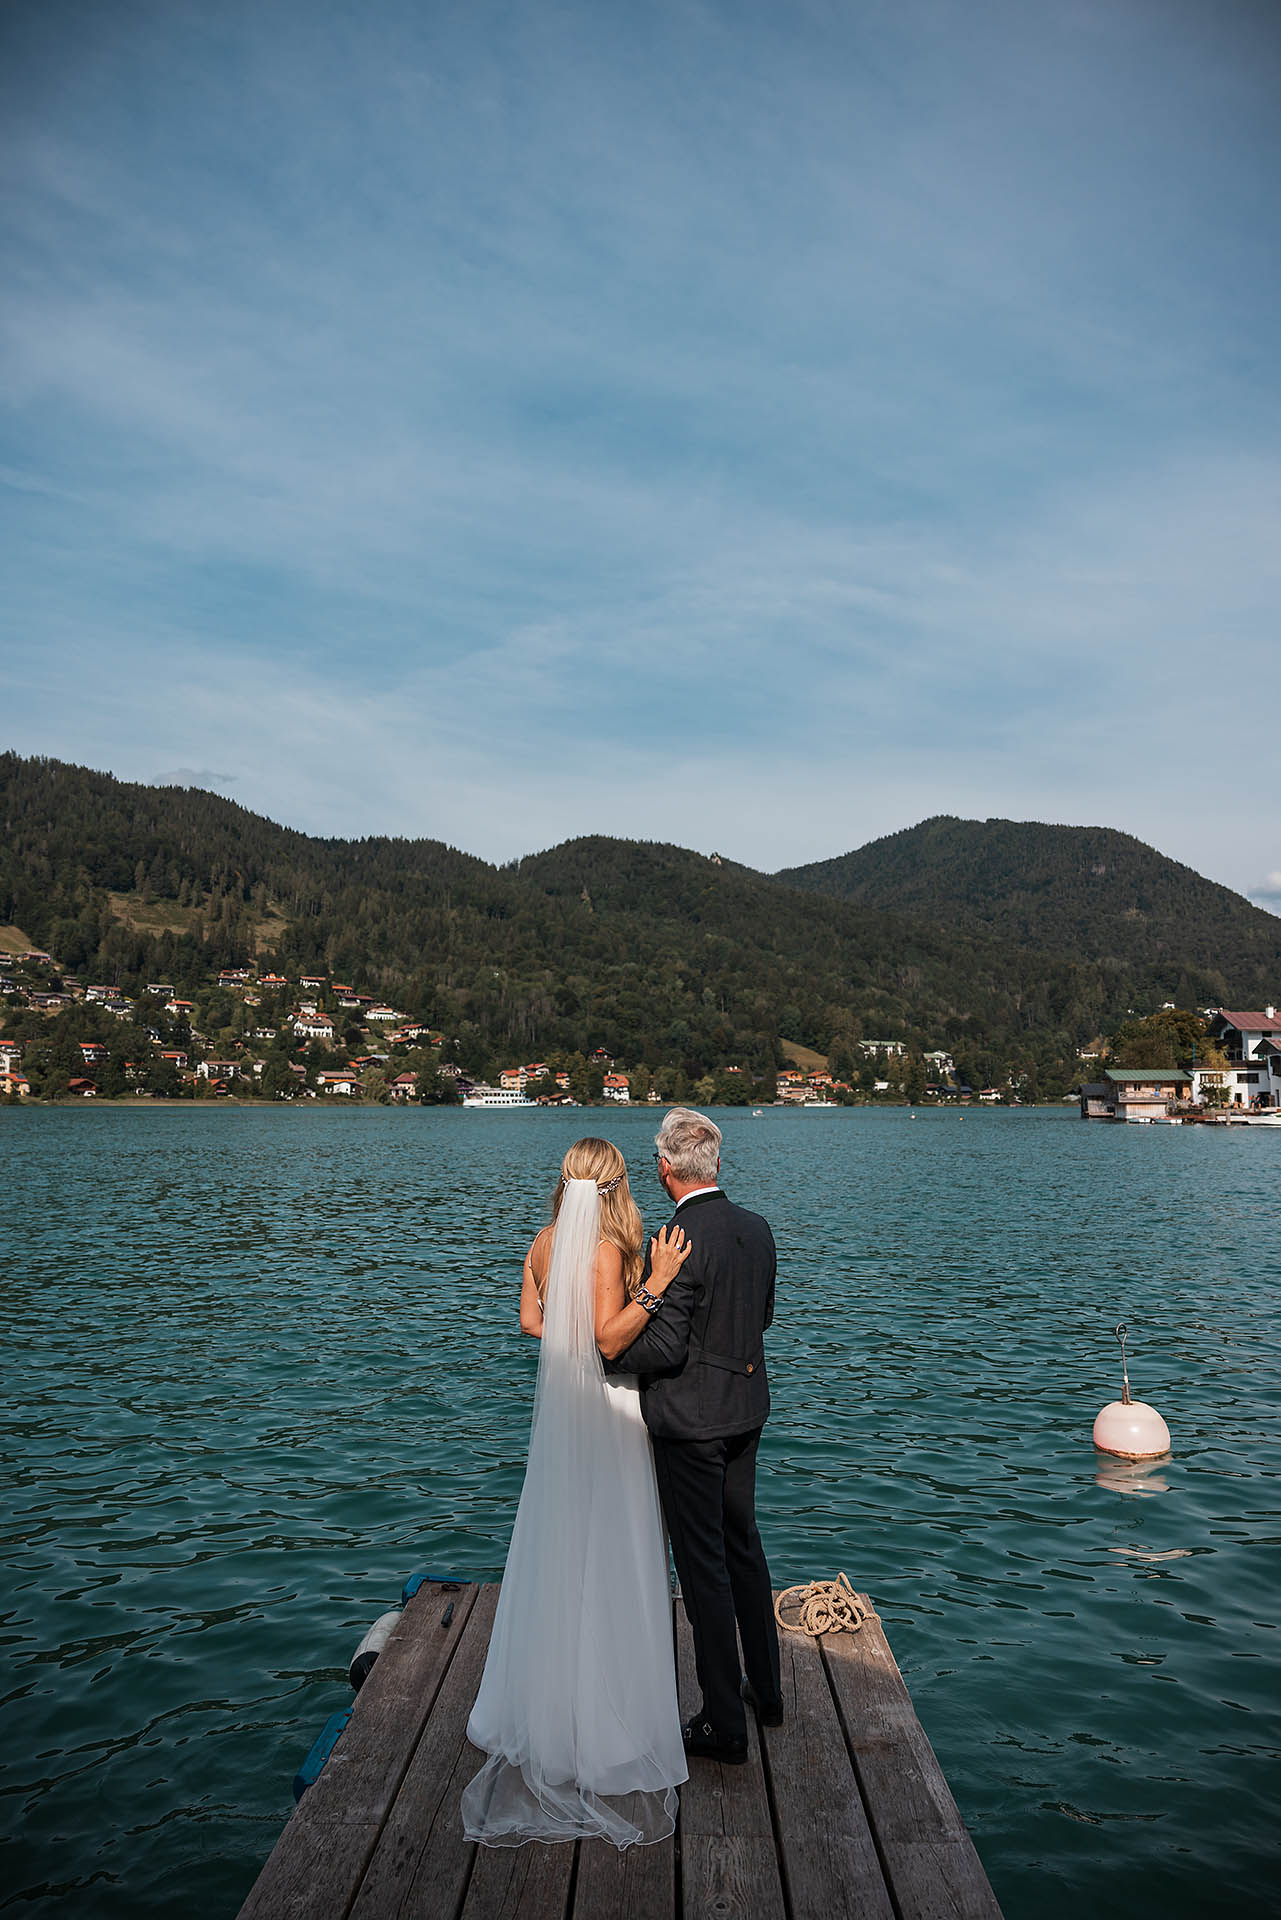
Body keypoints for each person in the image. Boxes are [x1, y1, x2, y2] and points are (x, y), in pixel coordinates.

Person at [461, 1138, 693, 1848]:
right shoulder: (607, 1253)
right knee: (614, 1547)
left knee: (559, 1538)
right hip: (607, 1411)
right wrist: (658, 1279)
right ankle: (603, 1718)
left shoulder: (543, 1241)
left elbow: (531, 1323)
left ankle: (542, 1704)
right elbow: (611, 1339)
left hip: (559, 1411)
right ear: (617, 1186)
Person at [608, 1108, 781, 1764]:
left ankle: (721, 1723)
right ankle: (766, 1692)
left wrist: (602, 1356)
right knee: (743, 1548)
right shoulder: (755, 1229)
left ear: (664, 1167)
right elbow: (759, 1317)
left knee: (702, 1566)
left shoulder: (675, 1238)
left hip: (690, 1424)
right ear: (714, 1164)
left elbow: (663, 1344)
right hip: (746, 1408)